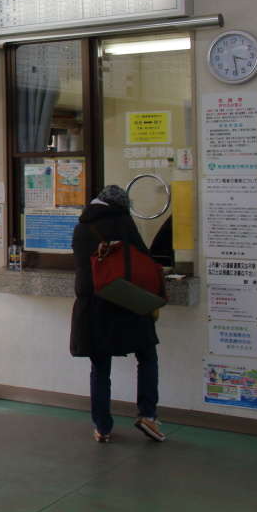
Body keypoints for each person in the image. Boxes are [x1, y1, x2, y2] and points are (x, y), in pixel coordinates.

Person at [71, 184, 166, 443]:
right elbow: (144, 260)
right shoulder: (124, 222)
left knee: (100, 367)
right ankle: (148, 415)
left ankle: (102, 427)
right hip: (128, 300)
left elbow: (82, 268)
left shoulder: (82, 227)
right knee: (147, 355)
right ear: (121, 205)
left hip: (94, 305)